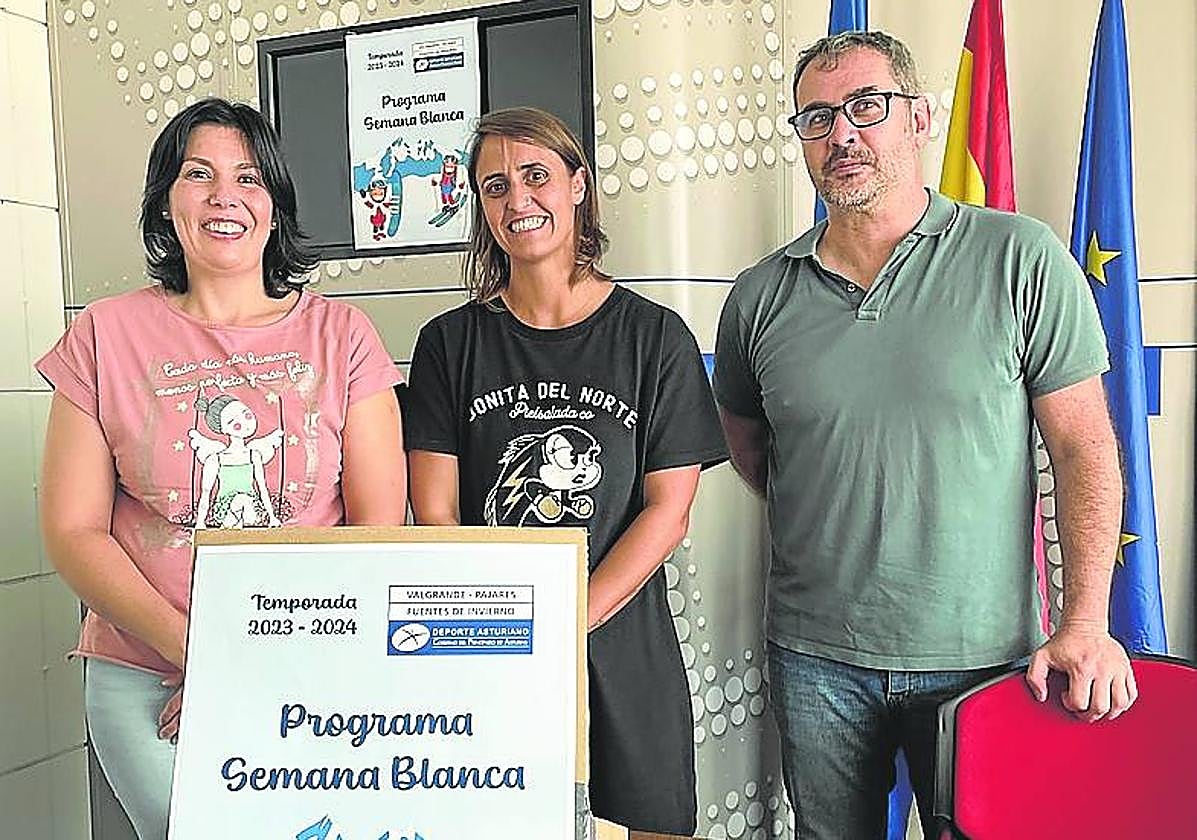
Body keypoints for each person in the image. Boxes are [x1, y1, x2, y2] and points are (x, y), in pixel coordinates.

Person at [712, 31, 1135, 840]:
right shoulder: (759, 296)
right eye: (816, 118)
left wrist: (1083, 622)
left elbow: (1083, 449)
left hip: (982, 657)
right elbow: (754, 447)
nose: (842, 134)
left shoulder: (1020, 258)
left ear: (919, 119)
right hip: (816, 659)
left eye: (866, 107)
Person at [37, 97, 407, 839]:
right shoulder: (105, 335)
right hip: (147, 674)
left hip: (309, 667)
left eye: (247, 178)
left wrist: (255, 663)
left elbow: (376, 529)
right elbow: (73, 530)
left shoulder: (343, 336)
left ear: (274, 206)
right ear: (165, 204)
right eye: (197, 175)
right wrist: (200, 656)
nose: (223, 197)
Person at [403, 107, 727, 835]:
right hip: (487, 639)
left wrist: (564, 624)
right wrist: (511, 634)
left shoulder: (654, 337)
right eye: (494, 186)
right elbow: (437, 514)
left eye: (536, 176)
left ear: (578, 185)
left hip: (623, 634)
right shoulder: (448, 344)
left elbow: (667, 512)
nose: (518, 200)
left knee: (658, 824)